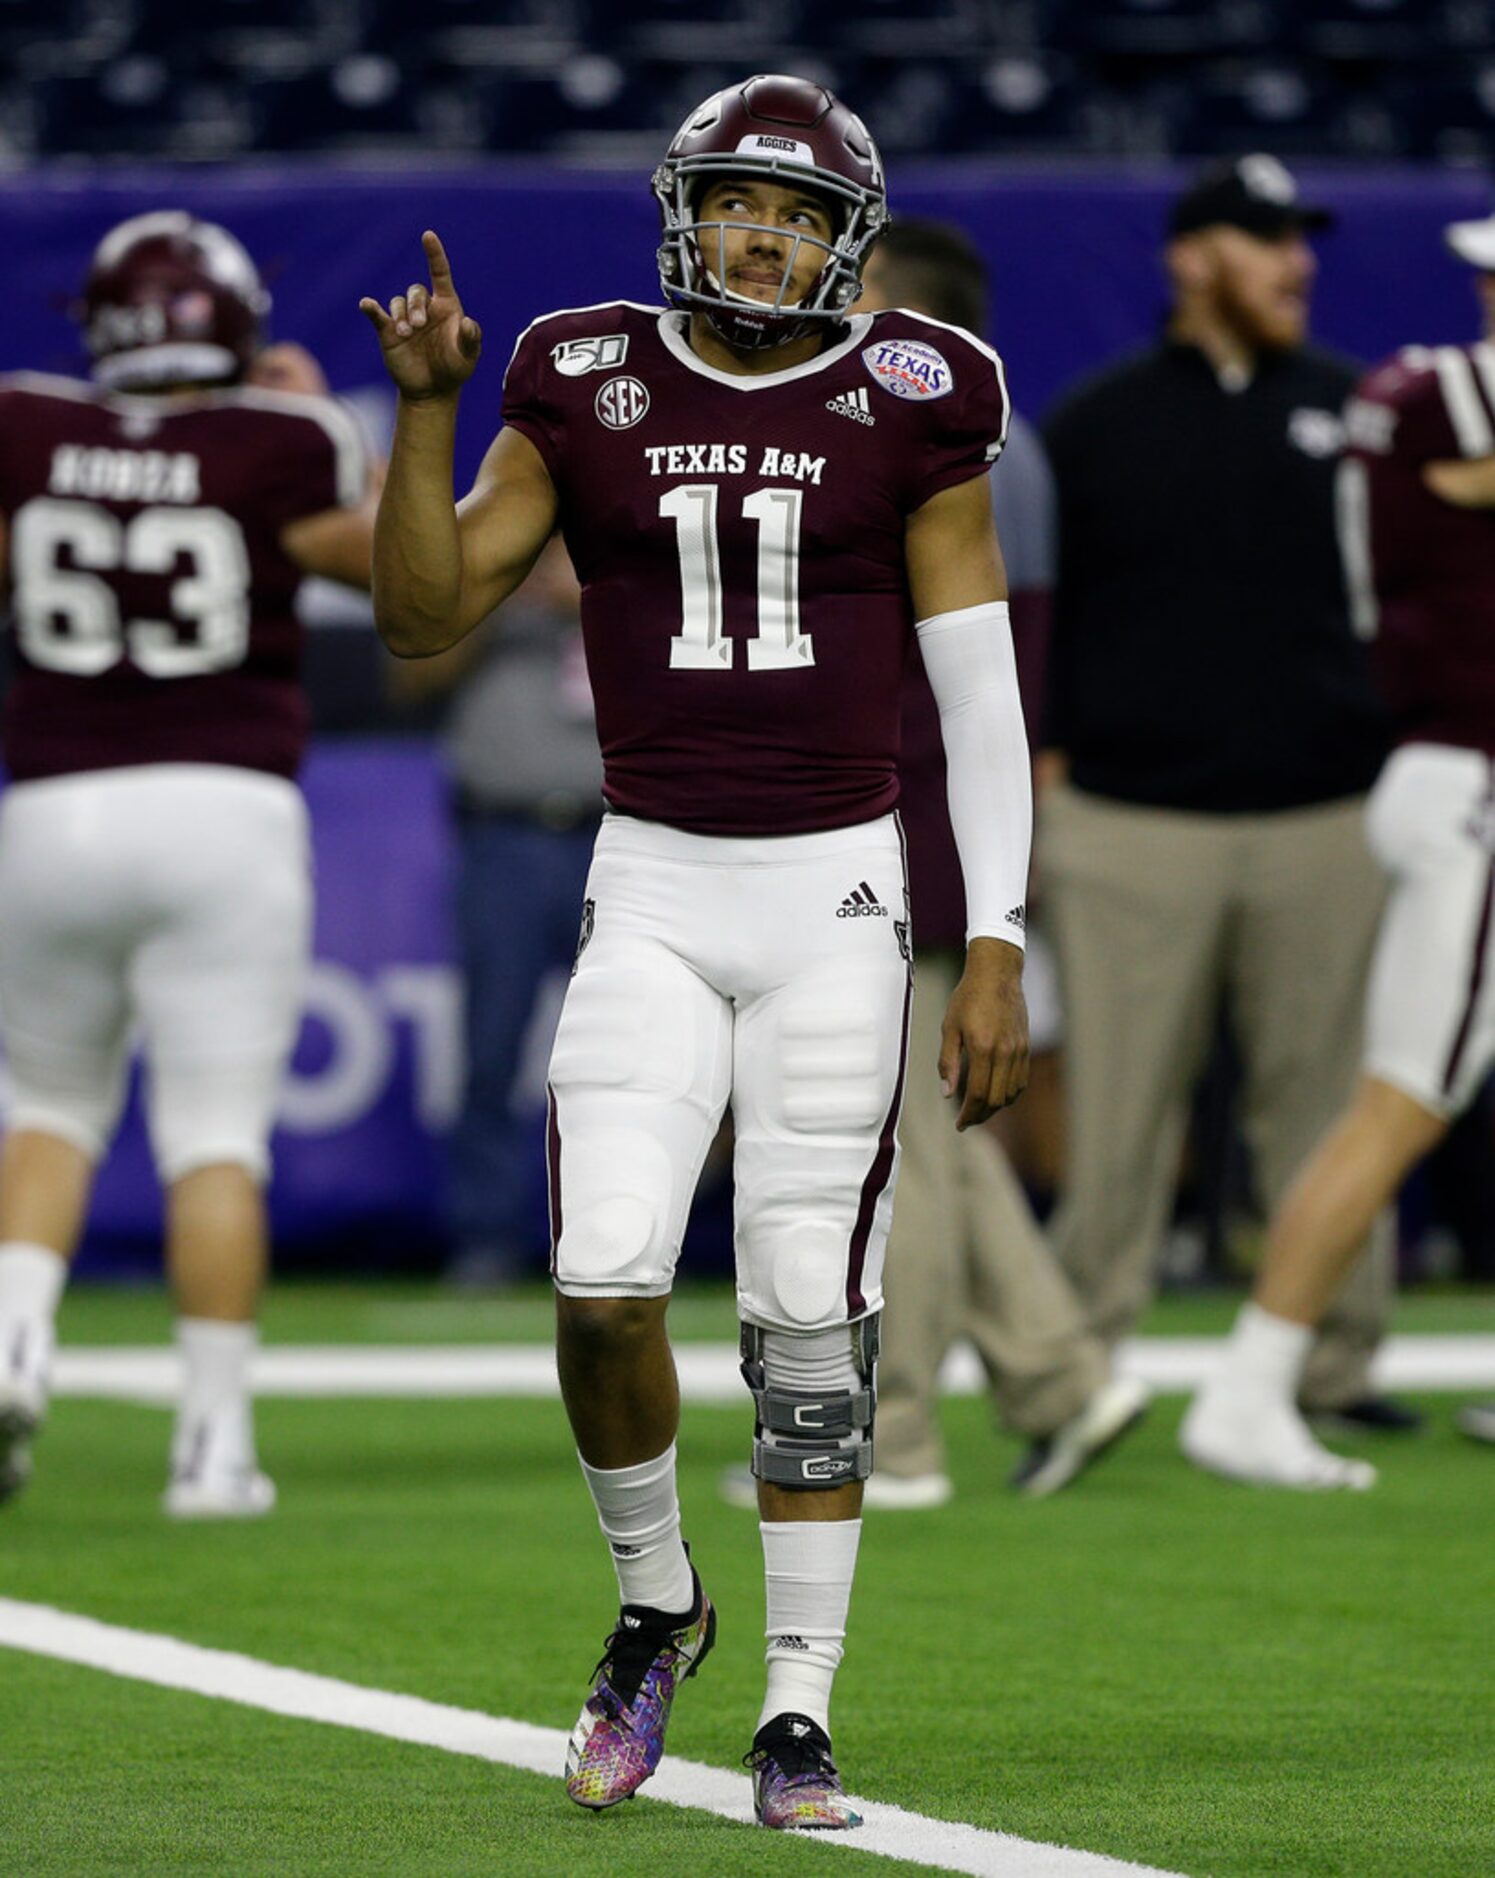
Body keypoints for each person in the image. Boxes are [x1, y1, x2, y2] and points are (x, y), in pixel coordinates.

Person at [360, 73, 1030, 1830]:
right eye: (740, 201)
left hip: (837, 897)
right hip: (653, 879)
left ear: (848, 248)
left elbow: (980, 694)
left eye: (801, 215)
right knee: (599, 1283)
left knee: (813, 1319)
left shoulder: (914, 395)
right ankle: (659, 1602)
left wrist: (1000, 936)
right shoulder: (584, 375)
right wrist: (426, 416)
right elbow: (426, 615)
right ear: (684, 210)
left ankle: (799, 1714)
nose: (764, 234)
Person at [0, 211, 374, 1518]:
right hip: (224, 806)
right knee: (212, 1134)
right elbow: (397, 571)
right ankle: (211, 1446)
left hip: (53, 805)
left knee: (44, 1103)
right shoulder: (285, 443)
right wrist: (347, 437)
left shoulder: (23, 423)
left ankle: (12, 1337)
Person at [1038, 155, 1398, 1425]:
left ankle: (1331, 1364)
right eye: (1263, 240)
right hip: (1135, 823)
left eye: (1301, 239)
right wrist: (1048, 786)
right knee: (1120, 1124)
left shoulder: (1358, 411)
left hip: (1325, 819)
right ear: (1191, 258)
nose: (1295, 261)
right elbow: (1042, 626)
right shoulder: (1093, 425)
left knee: (1331, 1108)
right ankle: (1075, 1372)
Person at [1182, 212, 1495, 1485]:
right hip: (1469, 779)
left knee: (1405, 1093)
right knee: (1399, 1098)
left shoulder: (1415, 394)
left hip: (1444, 773)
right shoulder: (1435, 391)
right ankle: (1254, 1379)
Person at [841, 216, 1147, 1502]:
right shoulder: (1005, 440)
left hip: (903, 820)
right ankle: (1061, 1376)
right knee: (927, 1127)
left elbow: (931, 682)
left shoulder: (916, 431)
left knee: (888, 1135)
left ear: (886, 301)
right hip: (954, 815)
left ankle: (896, 1433)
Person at [387, 537, 603, 1287]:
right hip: (503, 836)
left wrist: (598, 601)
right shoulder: (489, 582)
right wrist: (497, 598)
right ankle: (484, 1240)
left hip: (619, 839)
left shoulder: (636, 572)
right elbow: (409, 677)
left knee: (626, 1055)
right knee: (490, 1048)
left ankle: (615, 1240)